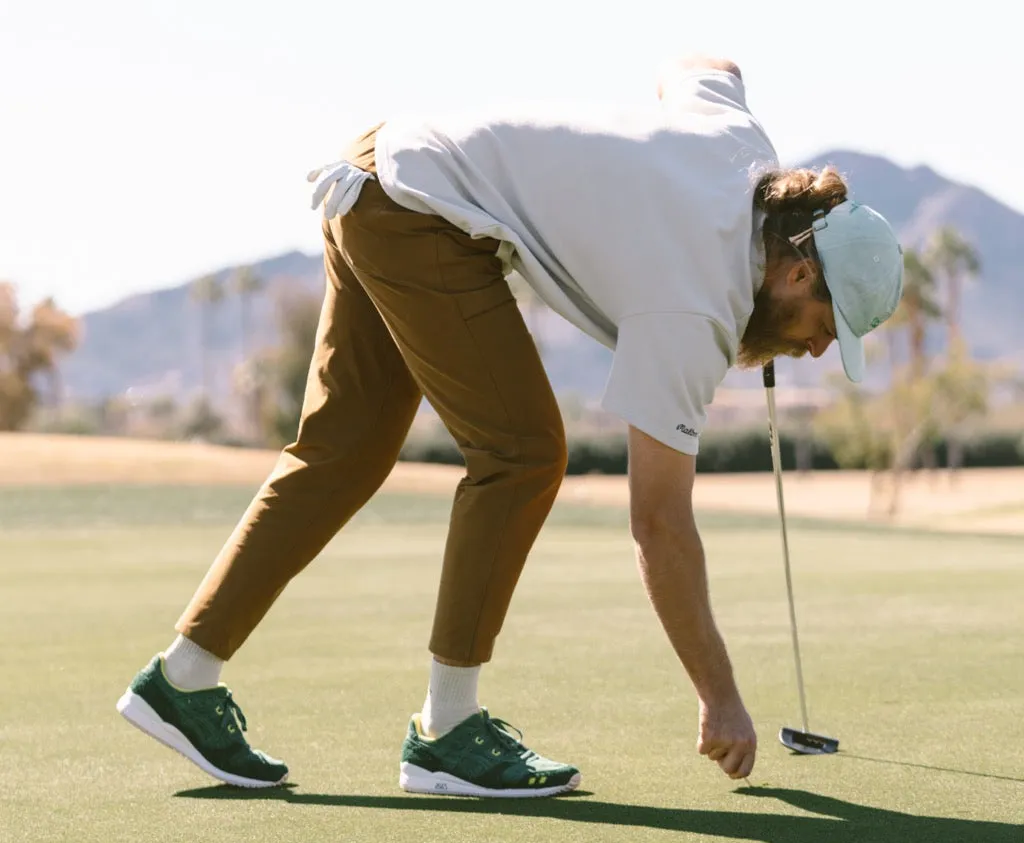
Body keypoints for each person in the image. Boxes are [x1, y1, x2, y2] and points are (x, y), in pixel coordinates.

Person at [117, 57, 903, 796]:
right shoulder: (693, 304)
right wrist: (721, 699)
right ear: (797, 271)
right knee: (522, 454)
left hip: (382, 169)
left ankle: (181, 679)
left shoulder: (743, 147)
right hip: (419, 208)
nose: (816, 349)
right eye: (825, 324)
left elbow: (708, 65)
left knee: (343, 453)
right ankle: (447, 730)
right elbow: (659, 525)